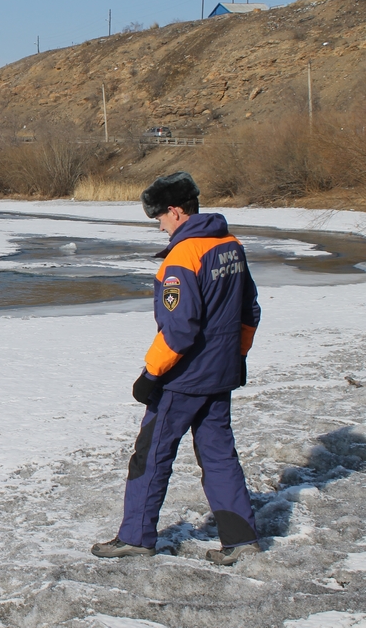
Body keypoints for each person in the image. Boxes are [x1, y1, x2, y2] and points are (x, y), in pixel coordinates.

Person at [92, 171, 262, 566]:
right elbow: (249, 311)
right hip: (220, 374)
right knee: (219, 455)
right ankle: (242, 539)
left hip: (183, 380)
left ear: (176, 211)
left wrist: (151, 374)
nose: (160, 227)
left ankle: (135, 537)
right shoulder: (231, 246)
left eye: (160, 219)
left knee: (150, 455)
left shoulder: (183, 256)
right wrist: (237, 357)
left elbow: (180, 329)